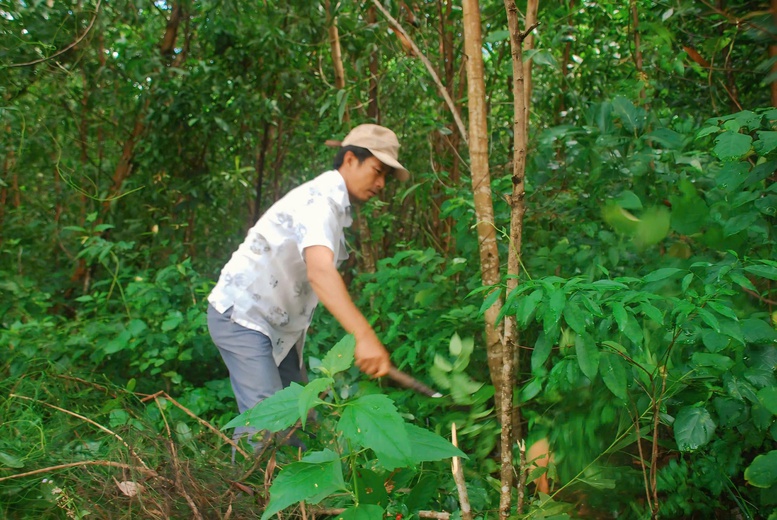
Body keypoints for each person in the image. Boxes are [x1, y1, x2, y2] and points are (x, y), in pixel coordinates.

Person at [206, 124, 409, 450]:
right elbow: (320, 272)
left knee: (297, 419)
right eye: (377, 171)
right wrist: (364, 338)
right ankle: (240, 497)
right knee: (266, 425)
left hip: (277, 327)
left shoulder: (334, 206)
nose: (382, 183)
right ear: (349, 160)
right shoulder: (321, 202)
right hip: (243, 317)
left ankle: (301, 498)